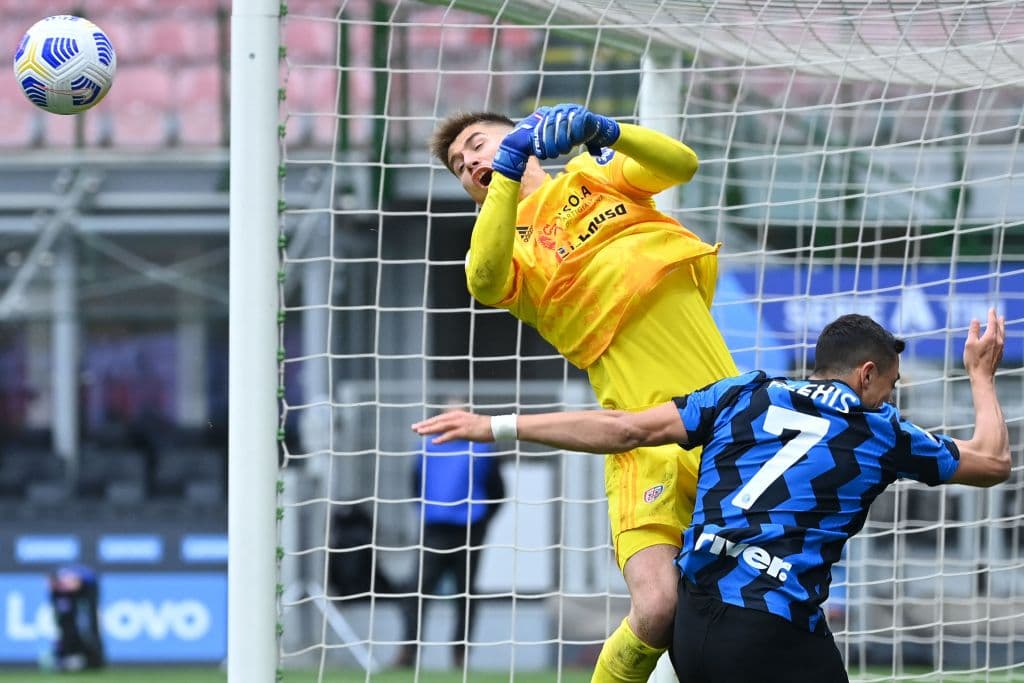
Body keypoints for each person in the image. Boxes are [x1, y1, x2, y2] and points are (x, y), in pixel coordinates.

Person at [410, 311, 1010, 682]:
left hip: (693, 625)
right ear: (867, 374)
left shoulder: (743, 393)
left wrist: (497, 425)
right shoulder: (881, 431)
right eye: (890, 386)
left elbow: (624, 430)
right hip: (772, 630)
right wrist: (981, 377)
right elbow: (993, 462)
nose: (889, 398)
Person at [432, 103, 739, 681]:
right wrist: (507, 168)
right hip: (645, 437)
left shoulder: (595, 177)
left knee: (743, 605)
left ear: (522, 128)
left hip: (729, 426)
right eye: (457, 163)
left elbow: (683, 163)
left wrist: (607, 130)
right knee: (657, 606)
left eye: (477, 142)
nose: (469, 158)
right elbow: (483, 278)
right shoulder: (503, 245)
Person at [396, 404, 506, 669]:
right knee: (417, 591)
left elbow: (497, 489)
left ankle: (459, 655)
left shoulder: (481, 448)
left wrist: (481, 519)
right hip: (434, 528)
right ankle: (408, 652)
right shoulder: (428, 448)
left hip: (470, 528)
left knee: (465, 593)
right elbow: (415, 485)